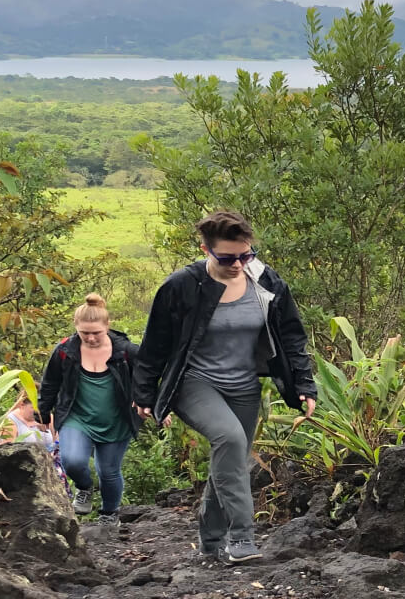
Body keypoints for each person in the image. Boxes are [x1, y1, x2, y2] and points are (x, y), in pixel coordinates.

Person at [134, 210, 317, 563]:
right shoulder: (182, 286)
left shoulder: (267, 281)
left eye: (246, 255)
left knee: (231, 459)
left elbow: (292, 336)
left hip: (245, 386)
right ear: (206, 249)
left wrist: (304, 383)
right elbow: (154, 343)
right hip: (194, 382)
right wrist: (143, 392)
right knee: (230, 440)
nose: (238, 264)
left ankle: (211, 540)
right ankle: (242, 538)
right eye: (227, 258)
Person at [37, 293, 142, 523]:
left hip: (116, 418)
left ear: (108, 326)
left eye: (97, 333)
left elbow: (147, 378)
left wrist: (150, 403)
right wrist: (43, 410)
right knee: (72, 459)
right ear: (76, 327)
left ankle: (109, 515)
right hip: (77, 416)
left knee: (109, 471)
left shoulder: (126, 352)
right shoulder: (65, 350)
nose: (91, 338)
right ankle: (84, 488)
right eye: (85, 333)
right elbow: (50, 381)